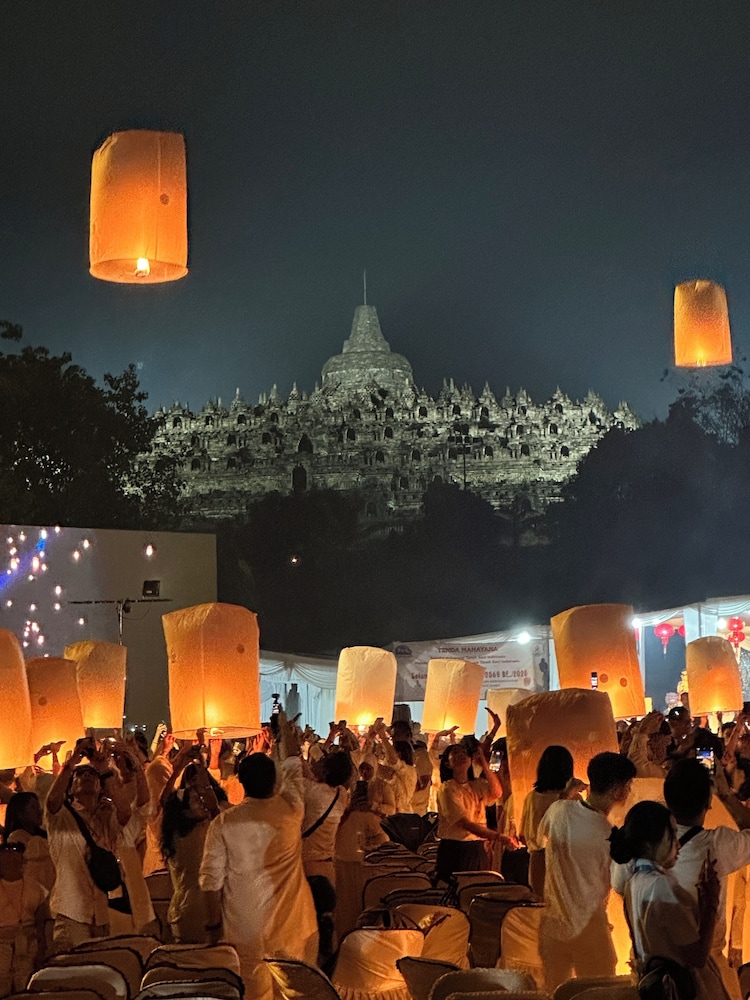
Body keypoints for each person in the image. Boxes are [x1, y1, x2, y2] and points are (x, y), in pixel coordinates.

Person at [199, 718, 318, 1000]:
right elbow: (293, 765)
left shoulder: (224, 823)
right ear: (275, 781)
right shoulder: (291, 809)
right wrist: (284, 733)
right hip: (295, 925)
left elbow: (210, 883)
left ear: (240, 782)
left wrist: (213, 929)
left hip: (244, 930)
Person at [536, 750, 636, 992]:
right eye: (628, 786)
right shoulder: (609, 835)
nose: (629, 791)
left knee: (554, 992)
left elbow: (539, 844)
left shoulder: (558, 811)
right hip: (590, 928)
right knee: (598, 993)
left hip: (552, 925)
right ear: (617, 791)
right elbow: (622, 887)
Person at [610, 799, 727, 1000]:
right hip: (678, 989)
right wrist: (711, 902)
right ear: (650, 843)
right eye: (672, 835)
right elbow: (697, 956)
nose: (678, 843)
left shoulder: (634, 881)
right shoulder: (662, 886)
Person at [663, 758, 750, 1000]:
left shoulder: (646, 841)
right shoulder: (718, 845)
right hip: (707, 970)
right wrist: (726, 794)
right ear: (708, 803)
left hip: (658, 967)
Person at [44, 738, 131, 951]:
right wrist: (73, 761)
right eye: (80, 775)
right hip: (71, 911)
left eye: (92, 775)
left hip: (101, 911)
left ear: (100, 786)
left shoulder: (105, 817)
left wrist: (104, 770)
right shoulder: (62, 816)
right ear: (71, 788)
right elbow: (52, 800)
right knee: (75, 967)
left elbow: (125, 811)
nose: (87, 777)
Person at [161, 750, 223, 943]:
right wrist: (203, 774)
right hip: (203, 912)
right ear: (185, 812)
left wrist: (178, 768)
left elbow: (166, 801)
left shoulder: (174, 834)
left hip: (180, 910)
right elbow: (216, 811)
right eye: (197, 801)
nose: (202, 803)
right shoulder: (204, 830)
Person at [519, 745, 585, 898]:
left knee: (541, 904)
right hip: (565, 861)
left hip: (537, 861)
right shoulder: (573, 799)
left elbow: (523, 835)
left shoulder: (531, 797)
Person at [435, 743, 503, 883]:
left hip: (476, 847)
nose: (461, 756)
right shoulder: (447, 789)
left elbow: (497, 793)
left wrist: (484, 763)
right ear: (448, 764)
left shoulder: (477, 785)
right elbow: (464, 823)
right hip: (456, 848)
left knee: (477, 888)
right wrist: (497, 836)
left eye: (464, 753)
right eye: (455, 753)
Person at [0, 842, 49, 997]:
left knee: (25, 983)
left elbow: (41, 920)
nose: (10, 855)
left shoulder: (34, 886)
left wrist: (42, 947)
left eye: (14, 852)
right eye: (6, 852)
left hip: (27, 942)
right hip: (1, 943)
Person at [4, 793, 55, 892]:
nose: (39, 811)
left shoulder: (44, 836)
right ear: (21, 813)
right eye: (33, 807)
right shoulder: (16, 838)